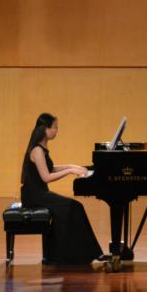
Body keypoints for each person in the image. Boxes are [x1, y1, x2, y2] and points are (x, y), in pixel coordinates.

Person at [20, 113, 104, 266]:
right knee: (74, 207)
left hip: (39, 193)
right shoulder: (37, 150)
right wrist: (70, 171)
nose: (56, 131)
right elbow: (46, 177)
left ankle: (79, 253)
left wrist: (73, 166)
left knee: (73, 207)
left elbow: (50, 168)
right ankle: (79, 255)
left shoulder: (42, 148)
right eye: (55, 127)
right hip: (34, 195)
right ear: (45, 129)